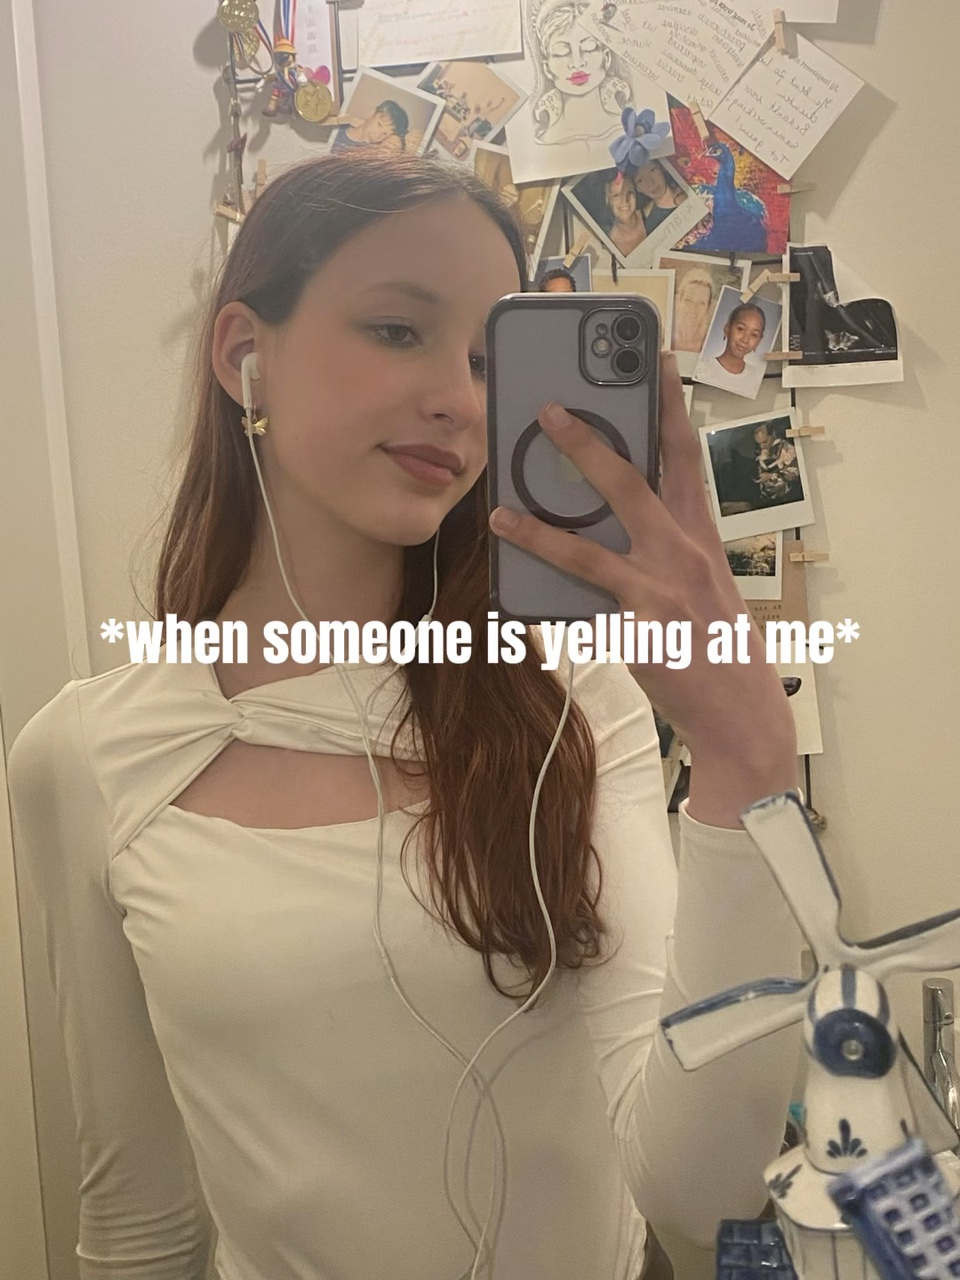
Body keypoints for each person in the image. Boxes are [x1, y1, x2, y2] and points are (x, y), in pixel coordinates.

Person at [8, 151, 801, 1280]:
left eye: (486, 360)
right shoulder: (85, 757)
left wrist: (747, 761)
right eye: (397, 330)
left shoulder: (573, 702)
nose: (462, 401)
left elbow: (700, 1196)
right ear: (243, 354)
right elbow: (139, 1219)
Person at [531, 0, 631, 145]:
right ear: (547, 69)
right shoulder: (543, 143)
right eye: (562, 51)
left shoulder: (626, 130)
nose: (577, 62)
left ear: (607, 58)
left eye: (588, 48)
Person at [696, 301, 767, 396]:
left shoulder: (758, 379)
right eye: (740, 329)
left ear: (759, 341)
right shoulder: (702, 370)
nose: (745, 339)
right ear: (727, 329)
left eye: (754, 335)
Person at [600, 167, 647, 258]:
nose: (624, 200)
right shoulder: (606, 244)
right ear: (608, 200)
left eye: (629, 192)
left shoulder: (651, 215)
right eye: (616, 195)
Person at [331, 100, 409, 154]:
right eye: (379, 124)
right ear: (372, 113)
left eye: (385, 134)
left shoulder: (369, 155)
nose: (378, 135)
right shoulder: (337, 128)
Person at [633, 160, 688, 233]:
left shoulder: (690, 186)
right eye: (640, 180)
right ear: (637, 188)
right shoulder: (652, 225)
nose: (650, 182)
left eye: (652, 170)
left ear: (661, 168)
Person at [673, 266, 716, 354]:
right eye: (688, 301)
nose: (693, 308)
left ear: (708, 307)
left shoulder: (712, 343)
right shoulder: (663, 336)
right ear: (679, 301)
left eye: (701, 303)